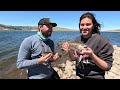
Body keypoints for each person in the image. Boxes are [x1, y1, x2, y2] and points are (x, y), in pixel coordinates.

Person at [61, 12, 114, 79]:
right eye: (82, 25)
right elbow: (73, 58)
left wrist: (91, 55)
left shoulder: (102, 41)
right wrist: (69, 50)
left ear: (93, 26)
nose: (84, 27)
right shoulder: (76, 40)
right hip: (79, 75)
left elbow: (107, 67)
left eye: (88, 24)